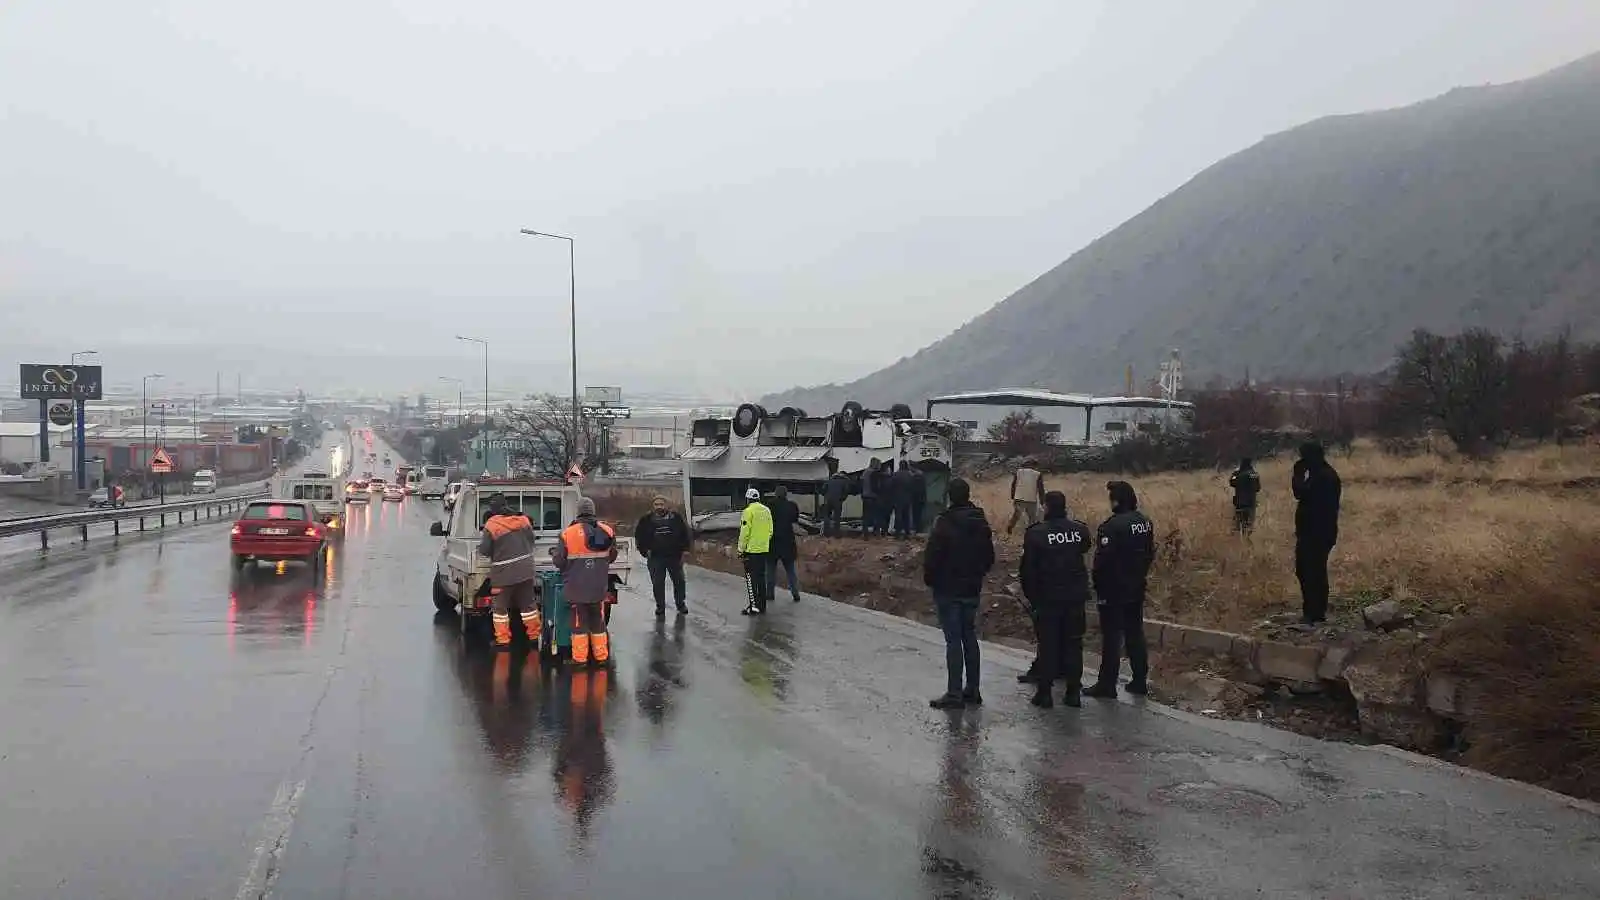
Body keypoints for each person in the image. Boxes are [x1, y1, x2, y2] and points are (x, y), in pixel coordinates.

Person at [923, 477, 996, 709]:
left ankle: (954, 693)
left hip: (948, 587)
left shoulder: (944, 522)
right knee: (969, 636)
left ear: (950, 496)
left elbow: (933, 556)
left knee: (953, 640)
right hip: (971, 587)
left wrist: (932, 580)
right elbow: (989, 557)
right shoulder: (980, 521)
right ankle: (972, 689)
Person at [1018, 491, 1093, 708]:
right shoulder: (1079, 530)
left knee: (1048, 645)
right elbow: (1085, 547)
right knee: (1073, 644)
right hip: (1075, 597)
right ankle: (1073, 693)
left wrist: (1033, 598)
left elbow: (1028, 571)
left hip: (1048, 598)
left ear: (1047, 507)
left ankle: (1044, 693)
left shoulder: (1036, 534)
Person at [1085, 481, 1156, 699]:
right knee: (1135, 632)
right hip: (1136, 585)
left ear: (1116, 500)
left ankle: (1107, 684)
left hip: (1114, 589)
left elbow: (1102, 562)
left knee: (1112, 637)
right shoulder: (1144, 522)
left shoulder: (1111, 526)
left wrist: (1097, 585)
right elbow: (1150, 553)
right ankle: (1139, 680)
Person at [552, 497, 620, 666]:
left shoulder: (568, 533)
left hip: (577, 587)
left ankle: (580, 659)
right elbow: (612, 556)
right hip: (599, 586)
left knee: (579, 624)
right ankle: (601, 657)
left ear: (578, 512)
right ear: (593, 511)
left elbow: (559, 561)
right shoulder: (607, 531)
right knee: (598, 622)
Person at [478, 494, 542, 652]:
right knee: (529, 605)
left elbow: (485, 550)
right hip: (526, 571)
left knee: (500, 608)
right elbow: (531, 541)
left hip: (503, 574)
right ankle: (534, 637)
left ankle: (503, 640)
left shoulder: (491, 525)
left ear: (492, 509)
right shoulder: (523, 520)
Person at [1292, 441, 1342, 625]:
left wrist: (1297, 475)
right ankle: (1312, 611)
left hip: (1317, 533)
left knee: (1313, 572)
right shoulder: (1319, 474)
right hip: (1311, 532)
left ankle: (1315, 613)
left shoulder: (1324, 477)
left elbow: (1302, 494)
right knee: (1307, 571)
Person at [635, 494, 691, 616]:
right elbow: (639, 537)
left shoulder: (675, 518)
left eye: (661, 504)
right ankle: (660, 606)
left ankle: (681, 604)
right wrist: (644, 551)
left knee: (679, 581)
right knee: (658, 583)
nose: (659, 507)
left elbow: (685, 533)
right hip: (655, 557)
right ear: (653, 506)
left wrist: (685, 550)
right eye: (656, 504)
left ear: (666, 505)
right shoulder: (646, 519)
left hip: (674, 556)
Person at [737, 487, 773, 615]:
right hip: (764, 549)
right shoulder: (767, 510)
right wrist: (764, 542)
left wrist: (741, 549)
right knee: (761, 577)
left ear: (748, 499)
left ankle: (753, 606)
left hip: (751, 550)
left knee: (751, 579)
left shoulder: (748, 511)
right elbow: (770, 531)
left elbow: (744, 532)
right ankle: (762, 606)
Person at [764, 485, 803, 603]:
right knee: (790, 570)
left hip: (773, 541)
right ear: (786, 494)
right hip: (787, 541)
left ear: (775, 494)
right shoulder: (792, 506)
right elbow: (795, 519)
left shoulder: (769, 505)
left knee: (770, 570)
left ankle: (769, 594)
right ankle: (795, 593)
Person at [1006, 465, 1046, 535]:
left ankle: (1010, 527)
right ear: (1035, 466)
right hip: (1031, 498)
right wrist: (1042, 501)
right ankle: (1031, 532)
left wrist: (1013, 496)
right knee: (1032, 517)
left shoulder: (1018, 472)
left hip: (1019, 497)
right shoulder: (1037, 474)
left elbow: (1013, 484)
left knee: (1016, 515)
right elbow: (1041, 489)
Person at [1229, 457, 1261, 534]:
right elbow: (1258, 488)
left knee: (1238, 526)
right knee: (1249, 526)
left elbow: (1232, 482)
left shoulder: (1238, 475)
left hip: (1239, 503)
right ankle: (1247, 540)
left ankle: (1238, 541)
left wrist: (1235, 473)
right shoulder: (1254, 475)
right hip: (1251, 503)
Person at [890, 461, 917, 538]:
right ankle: (907, 532)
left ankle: (897, 532)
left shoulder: (896, 474)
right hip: (907, 498)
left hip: (897, 498)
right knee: (906, 515)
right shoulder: (910, 475)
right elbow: (913, 487)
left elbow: (891, 486)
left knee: (898, 515)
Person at [821, 469, 849, 537]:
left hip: (828, 499)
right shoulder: (844, 481)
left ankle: (826, 533)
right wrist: (842, 499)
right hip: (838, 500)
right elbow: (846, 491)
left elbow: (823, 488)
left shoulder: (830, 479)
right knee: (837, 517)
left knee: (827, 516)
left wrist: (825, 495)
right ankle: (836, 534)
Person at [860, 458, 881, 538]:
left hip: (865, 496)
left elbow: (861, 484)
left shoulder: (865, 472)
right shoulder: (874, 473)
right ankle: (876, 533)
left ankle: (865, 533)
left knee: (865, 516)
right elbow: (875, 486)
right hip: (872, 496)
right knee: (876, 515)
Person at [909, 465, 928, 534]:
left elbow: (915, 490)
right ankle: (918, 529)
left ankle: (918, 529)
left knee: (917, 515)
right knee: (919, 515)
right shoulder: (921, 476)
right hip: (921, 499)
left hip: (917, 500)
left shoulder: (917, 477)